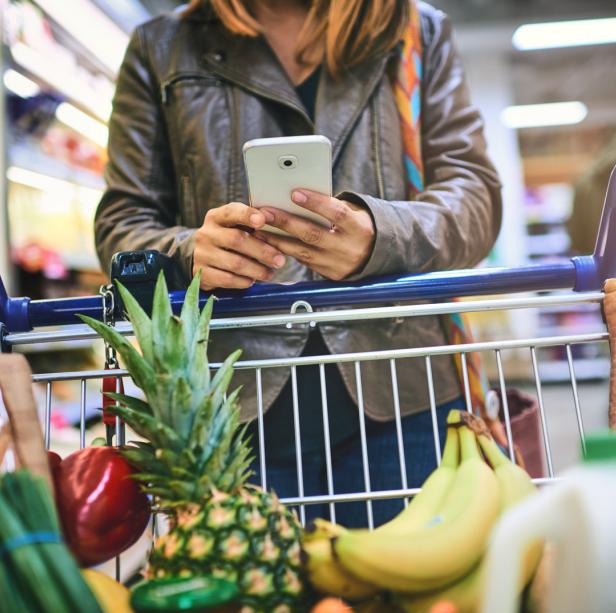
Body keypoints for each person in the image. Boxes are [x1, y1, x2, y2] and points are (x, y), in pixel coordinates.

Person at [95, 0, 502, 526]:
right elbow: (121, 224)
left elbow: (476, 198)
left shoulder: (415, 29)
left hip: (406, 398)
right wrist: (190, 252)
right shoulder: (161, 48)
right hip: (229, 411)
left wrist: (382, 234)